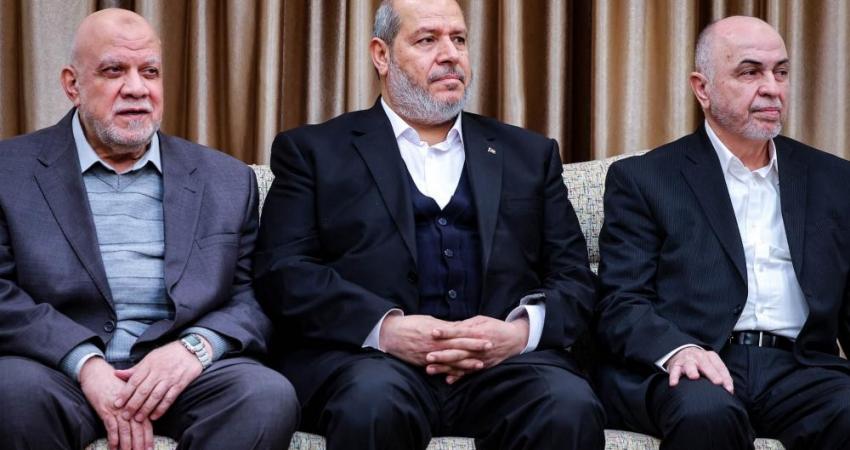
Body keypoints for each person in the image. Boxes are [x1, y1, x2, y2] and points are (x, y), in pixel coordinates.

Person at [254, 0, 604, 449]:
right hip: (369, 362)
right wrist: (385, 329)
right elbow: (284, 271)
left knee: (568, 405)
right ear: (381, 55)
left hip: (504, 366)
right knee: (370, 404)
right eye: (427, 40)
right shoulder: (313, 152)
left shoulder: (529, 155)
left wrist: (518, 333)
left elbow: (574, 277)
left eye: (458, 39)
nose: (450, 54)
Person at [0, 8, 298, 450]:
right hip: (54, 371)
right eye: (113, 71)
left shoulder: (226, 180)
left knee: (265, 396)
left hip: (183, 374)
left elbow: (254, 294)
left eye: (150, 72)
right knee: (10, 393)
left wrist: (194, 349)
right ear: (72, 84)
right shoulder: (9, 171)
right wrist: (83, 362)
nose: (137, 88)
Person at [595, 15, 850, 450]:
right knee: (706, 414)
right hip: (695, 363)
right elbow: (620, 301)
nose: (772, 88)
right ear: (703, 88)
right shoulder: (645, 179)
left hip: (801, 368)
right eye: (750, 72)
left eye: (781, 72)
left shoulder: (833, 179)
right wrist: (678, 350)